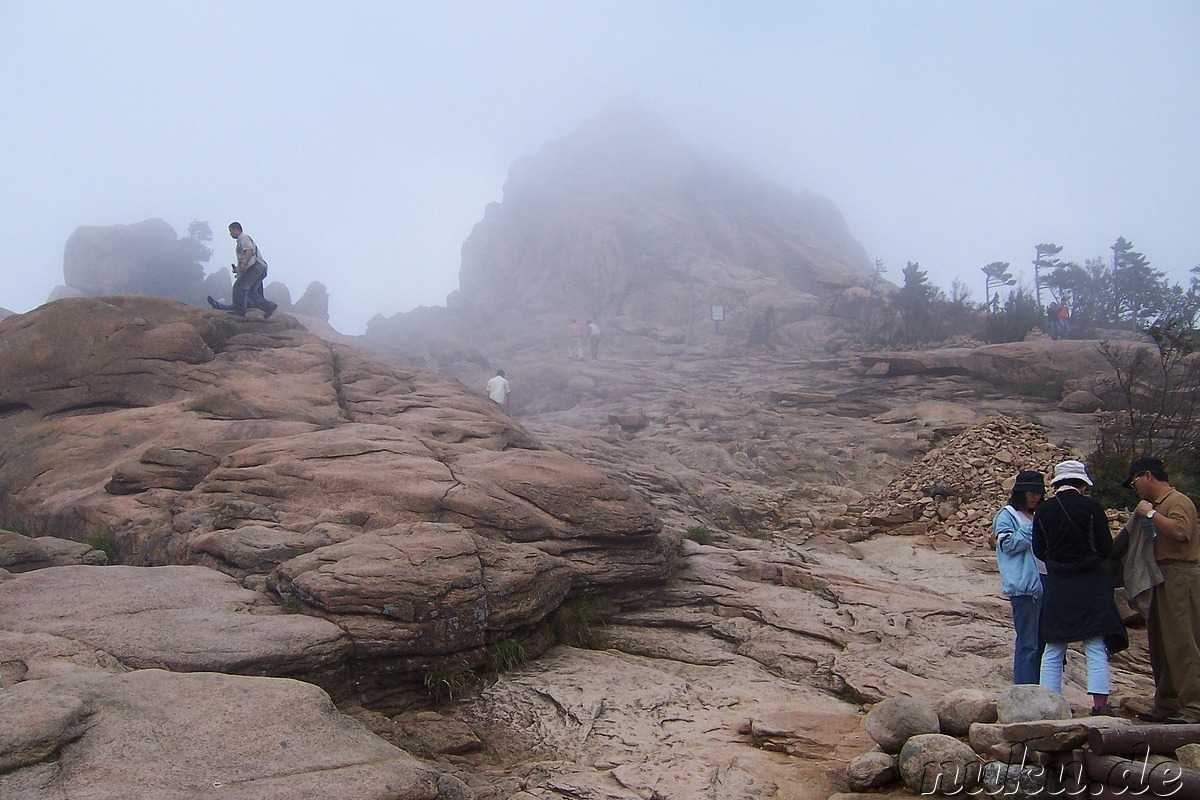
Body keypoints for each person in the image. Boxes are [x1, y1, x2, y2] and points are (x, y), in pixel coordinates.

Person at [1033, 460, 1127, 715]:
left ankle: (1049, 706)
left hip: (1059, 584)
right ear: (1082, 485)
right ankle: (1099, 706)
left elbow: (1038, 550)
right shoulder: (1092, 507)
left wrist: (1059, 561)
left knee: (1053, 646)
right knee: (1095, 643)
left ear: (1057, 484)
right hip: (1090, 582)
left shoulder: (1043, 511)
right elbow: (1106, 548)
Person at [1124, 456, 1200, 724]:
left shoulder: (1177, 501)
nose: (1135, 488)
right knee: (1160, 643)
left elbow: (1181, 532)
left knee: (1182, 641)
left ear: (1147, 476)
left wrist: (1151, 514)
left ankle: (1193, 706)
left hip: (1179, 575)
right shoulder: (1157, 504)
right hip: (1158, 576)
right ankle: (1166, 703)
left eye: (1135, 482)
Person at [995, 471, 1047, 684]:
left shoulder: (1042, 513)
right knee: (1028, 643)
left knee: (1046, 642)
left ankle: (1045, 689)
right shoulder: (1007, 515)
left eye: (1038, 493)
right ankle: (1026, 690)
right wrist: (1032, 528)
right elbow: (1007, 545)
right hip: (1024, 587)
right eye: (1030, 492)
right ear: (1020, 493)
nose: (1035, 497)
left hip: (1046, 580)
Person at [208, 222, 277, 318]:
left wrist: (244, 263)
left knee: (239, 287)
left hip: (256, 266)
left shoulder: (243, 238)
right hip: (261, 267)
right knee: (251, 293)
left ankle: (239, 310)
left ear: (236, 229)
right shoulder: (242, 239)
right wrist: (238, 269)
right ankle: (268, 306)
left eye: (231, 230)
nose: (230, 233)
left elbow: (249, 250)